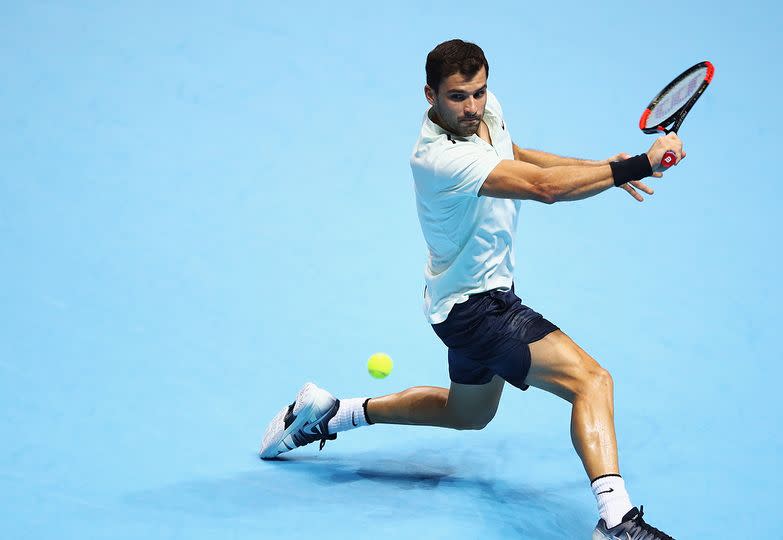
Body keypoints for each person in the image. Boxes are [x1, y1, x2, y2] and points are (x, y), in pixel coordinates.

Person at [259, 39, 685, 539]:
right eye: (458, 97)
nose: (473, 107)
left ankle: (333, 413)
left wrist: (601, 168)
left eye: (480, 93)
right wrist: (634, 167)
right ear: (430, 95)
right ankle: (617, 522)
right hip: (481, 309)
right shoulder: (437, 159)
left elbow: (518, 156)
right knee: (592, 382)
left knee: (467, 414)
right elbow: (541, 188)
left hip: (453, 306)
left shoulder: (486, 112)